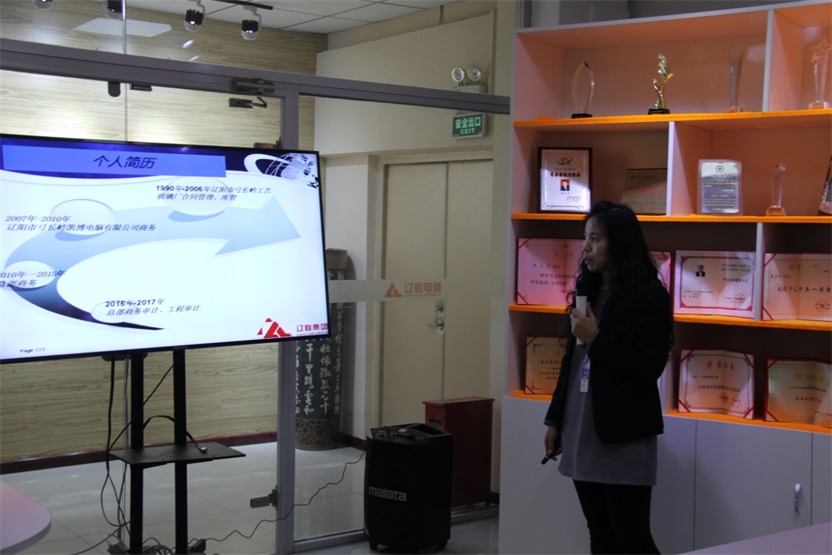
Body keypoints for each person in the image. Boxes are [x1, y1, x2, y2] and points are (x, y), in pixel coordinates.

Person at [543, 200, 674, 554]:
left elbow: (649, 366)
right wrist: (555, 419)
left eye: (595, 238)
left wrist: (596, 338)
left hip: (624, 437)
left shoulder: (651, 296)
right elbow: (571, 363)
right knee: (600, 537)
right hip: (581, 430)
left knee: (632, 540)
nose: (585, 247)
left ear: (620, 243)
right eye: (585, 237)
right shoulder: (586, 294)